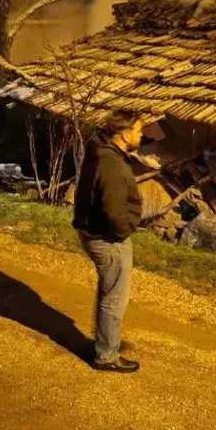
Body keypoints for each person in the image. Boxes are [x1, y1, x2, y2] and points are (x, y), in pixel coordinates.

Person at [72, 110, 146, 373]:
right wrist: (125, 230)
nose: (141, 134)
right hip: (107, 237)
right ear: (125, 135)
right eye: (138, 130)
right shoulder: (112, 166)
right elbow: (113, 212)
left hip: (95, 231)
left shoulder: (101, 150)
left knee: (109, 291)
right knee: (115, 296)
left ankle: (104, 343)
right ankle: (106, 355)